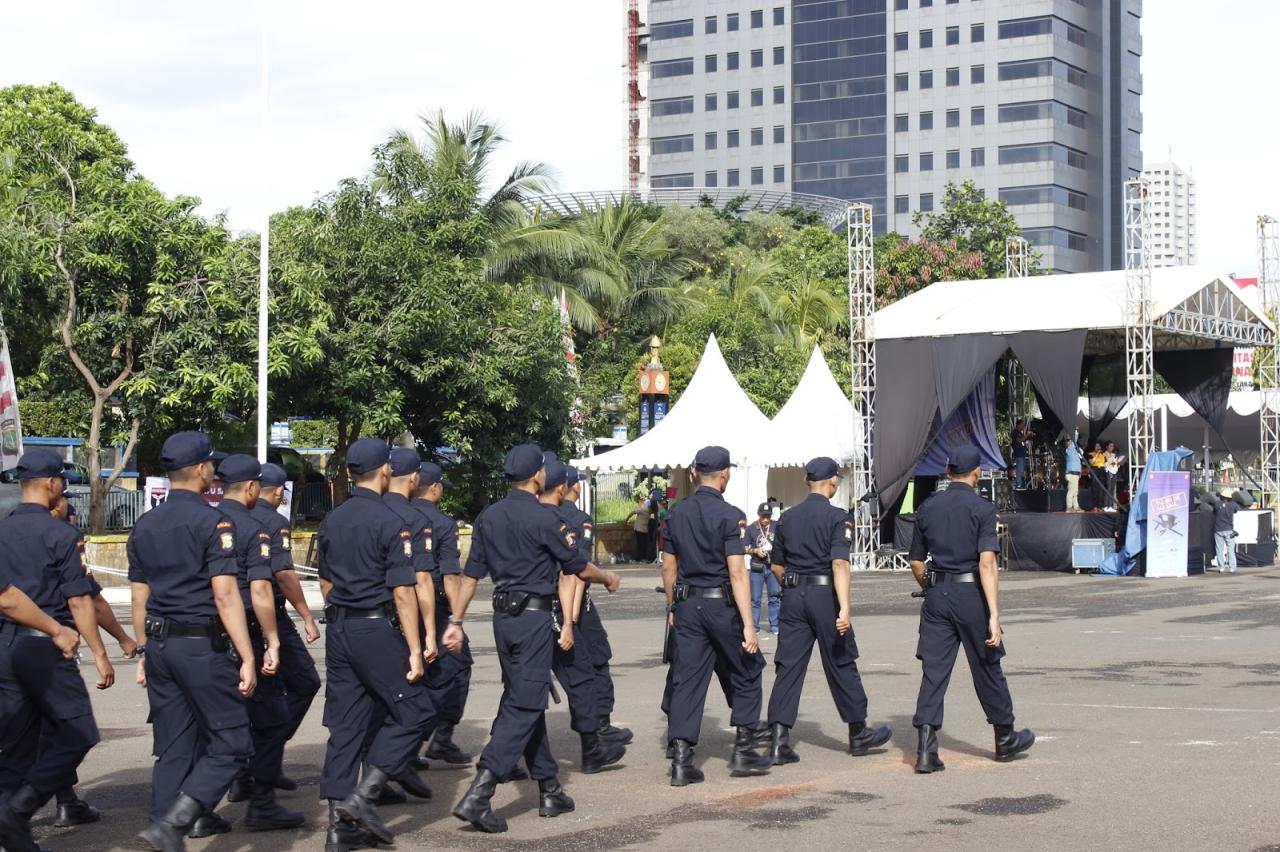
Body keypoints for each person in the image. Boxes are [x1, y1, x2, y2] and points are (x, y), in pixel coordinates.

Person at [446, 444, 621, 834]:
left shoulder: (488, 517)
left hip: (502, 620)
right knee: (525, 704)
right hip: (533, 618)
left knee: (523, 697)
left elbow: (470, 576)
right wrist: (608, 577)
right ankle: (480, 792)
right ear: (538, 476)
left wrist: (456, 620)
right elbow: (576, 566)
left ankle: (549, 786)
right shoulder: (546, 518)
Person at [128, 432, 257, 851]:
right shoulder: (214, 521)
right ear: (202, 470)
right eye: (211, 466)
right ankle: (177, 821)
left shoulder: (145, 524)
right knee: (233, 741)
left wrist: (144, 650)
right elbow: (225, 594)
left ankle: (164, 831)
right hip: (200, 646)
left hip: (162, 644)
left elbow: (138, 598)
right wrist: (247, 655)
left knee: (174, 748)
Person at [316, 438, 434, 850]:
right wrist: (416, 649)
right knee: (415, 710)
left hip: (340, 628)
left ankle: (337, 830)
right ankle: (364, 797)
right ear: (385, 471)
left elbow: (325, 581)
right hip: (373, 627)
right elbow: (404, 590)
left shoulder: (333, 519)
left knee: (347, 727)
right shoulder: (390, 520)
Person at [0, 449, 108, 852]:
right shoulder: (61, 534)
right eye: (61, 479)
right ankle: (20, 809)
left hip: (7, 647)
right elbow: (80, 601)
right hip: (45, 648)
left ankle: (13, 833)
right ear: (50, 483)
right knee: (78, 732)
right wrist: (95, 651)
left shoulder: (3, 530)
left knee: (17, 744)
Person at [907, 445, 1035, 773]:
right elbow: (987, 563)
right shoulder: (981, 509)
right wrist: (994, 615)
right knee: (988, 664)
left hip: (937, 594)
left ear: (948, 472)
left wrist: (931, 589)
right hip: (970, 595)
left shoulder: (927, 507)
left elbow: (916, 561)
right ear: (977, 473)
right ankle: (1004, 738)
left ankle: (925, 749)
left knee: (934, 671)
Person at [764, 457, 893, 765]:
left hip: (793, 594)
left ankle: (779, 739)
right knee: (841, 660)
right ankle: (858, 732)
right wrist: (845, 607)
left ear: (808, 481)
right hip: (824, 594)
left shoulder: (787, 518)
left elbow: (777, 565)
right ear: (834, 482)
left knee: (789, 666)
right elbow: (839, 563)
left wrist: (794, 587)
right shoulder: (837, 517)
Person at [662, 446, 771, 786]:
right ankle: (744, 749)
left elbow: (669, 566)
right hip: (720, 605)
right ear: (724, 475)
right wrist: (750, 626)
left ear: (695, 474)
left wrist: (672, 606)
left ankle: (681, 760)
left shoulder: (675, 514)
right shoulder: (731, 516)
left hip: (687, 605)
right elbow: (737, 572)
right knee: (748, 668)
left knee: (687, 679)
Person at [212, 455, 306, 832]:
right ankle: (257, 786)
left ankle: (199, 804)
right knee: (269, 715)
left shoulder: (208, 520)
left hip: (205, 629)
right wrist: (273, 639)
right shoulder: (261, 524)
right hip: (253, 621)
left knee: (220, 713)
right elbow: (268, 583)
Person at [46, 494, 137, 829]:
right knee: (70, 729)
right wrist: (114, 644)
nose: (75, 524)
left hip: (11, 648)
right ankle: (31, 802)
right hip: (52, 647)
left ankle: (62, 799)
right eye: (71, 516)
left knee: (33, 729)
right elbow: (88, 601)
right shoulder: (61, 541)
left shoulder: (10, 534)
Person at [538, 456, 627, 773]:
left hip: (520, 615)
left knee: (523, 690)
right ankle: (594, 742)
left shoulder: (506, 516)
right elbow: (573, 574)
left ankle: (512, 760)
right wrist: (570, 622)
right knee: (582, 676)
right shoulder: (569, 521)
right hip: (561, 610)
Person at [370, 447, 439, 802]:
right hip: (398, 622)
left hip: (364, 622)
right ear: (414, 478)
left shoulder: (364, 511)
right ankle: (392, 769)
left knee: (375, 705)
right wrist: (428, 634)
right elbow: (421, 582)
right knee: (417, 705)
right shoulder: (412, 519)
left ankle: (382, 775)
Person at [248, 463, 321, 793]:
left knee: (260, 694)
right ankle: (263, 757)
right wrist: (306, 615)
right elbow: (284, 574)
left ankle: (256, 765)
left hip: (237, 618)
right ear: (278, 492)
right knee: (305, 681)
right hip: (269, 615)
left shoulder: (228, 516)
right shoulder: (274, 521)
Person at [410, 461, 474, 767]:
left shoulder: (396, 515)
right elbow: (450, 575)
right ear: (435, 488)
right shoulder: (443, 523)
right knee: (457, 669)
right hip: (434, 608)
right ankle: (434, 739)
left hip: (398, 606)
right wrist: (456, 619)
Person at [562, 466, 632, 745]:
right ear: (574, 487)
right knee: (595, 659)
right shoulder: (578, 519)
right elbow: (578, 571)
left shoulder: (544, 516)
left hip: (541, 605)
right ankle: (599, 727)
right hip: (574, 605)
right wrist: (573, 618)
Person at [745, 503, 781, 638]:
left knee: (775, 597)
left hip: (772, 567)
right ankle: (755, 626)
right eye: (763, 516)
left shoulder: (776, 526)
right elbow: (744, 548)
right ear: (758, 515)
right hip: (757, 568)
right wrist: (755, 550)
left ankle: (775, 625)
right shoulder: (751, 529)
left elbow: (783, 542)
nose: (766, 519)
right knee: (755, 599)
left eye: (768, 516)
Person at [1213, 488, 1240, 574]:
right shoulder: (1233, 504)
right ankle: (1232, 567)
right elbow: (1236, 510)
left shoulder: (1217, 504)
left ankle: (1221, 567)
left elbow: (1214, 512)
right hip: (1229, 529)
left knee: (1219, 549)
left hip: (1218, 529)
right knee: (1230, 549)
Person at [625, 496, 652, 563]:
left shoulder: (650, 512)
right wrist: (626, 520)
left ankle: (643, 558)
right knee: (641, 544)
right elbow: (633, 512)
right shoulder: (643, 510)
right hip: (639, 529)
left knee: (644, 544)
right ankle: (639, 558)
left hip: (644, 529)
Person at [1011, 419, 1033, 489]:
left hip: (1022, 454)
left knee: (1021, 469)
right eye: (1022, 425)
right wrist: (1027, 435)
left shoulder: (1020, 433)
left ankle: (1019, 483)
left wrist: (1030, 437)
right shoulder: (1015, 432)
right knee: (1019, 469)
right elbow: (1020, 440)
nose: (1023, 427)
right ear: (1019, 424)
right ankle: (1018, 484)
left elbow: (1023, 440)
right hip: (1018, 454)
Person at [1063, 433, 1083, 512]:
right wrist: (1075, 432)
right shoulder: (1070, 449)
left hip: (1075, 473)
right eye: (1068, 441)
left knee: (1075, 491)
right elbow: (1074, 440)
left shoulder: (1075, 452)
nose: (1070, 442)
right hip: (1072, 474)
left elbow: (1078, 463)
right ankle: (1069, 507)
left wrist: (1080, 472)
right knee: (1072, 491)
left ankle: (1076, 507)